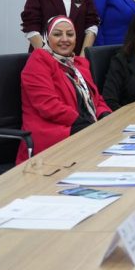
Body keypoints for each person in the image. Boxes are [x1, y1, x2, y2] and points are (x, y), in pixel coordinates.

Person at [17, 16, 111, 164]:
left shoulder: (79, 65)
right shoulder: (38, 60)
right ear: (47, 38)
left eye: (70, 34)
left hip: (81, 127)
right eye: (57, 34)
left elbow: (96, 99)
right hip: (53, 133)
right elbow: (48, 105)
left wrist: (105, 115)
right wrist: (84, 124)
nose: (65, 39)